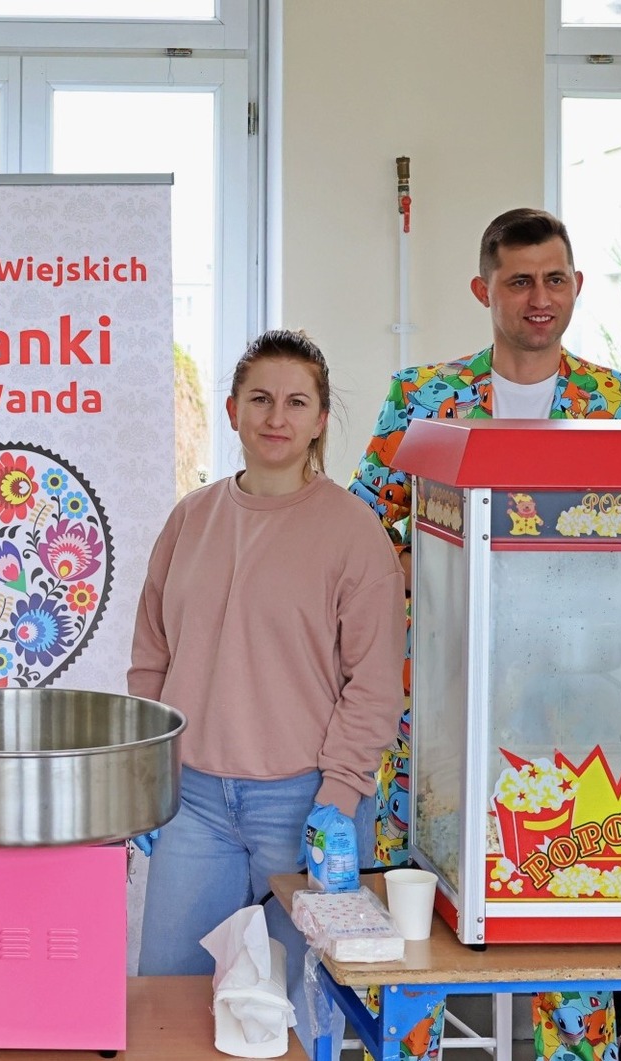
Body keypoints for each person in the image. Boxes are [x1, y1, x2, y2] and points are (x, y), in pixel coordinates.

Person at [348, 208, 621, 1059]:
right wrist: (418, 570)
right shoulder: (422, 395)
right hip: (438, 688)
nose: (538, 297)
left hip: (575, 694)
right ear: (484, 289)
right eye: (519, 281)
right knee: (415, 880)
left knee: (571, 879)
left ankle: (578, 1050)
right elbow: (366, 517)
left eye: (554, 279)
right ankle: (405, 1048)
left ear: (577, 286)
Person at [129, 329, 405, 1055]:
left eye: (296, 402)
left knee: (300, 1018)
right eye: (260, 399)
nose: (276, 416)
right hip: (193, 804)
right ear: (233, 410)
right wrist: (144, 770)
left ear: (320, 419)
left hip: (308, 808)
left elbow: (375, 683)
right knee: (168, 1006)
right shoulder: (190, 519)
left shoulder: (354, 532)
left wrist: (339, 795)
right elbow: (151, 659)